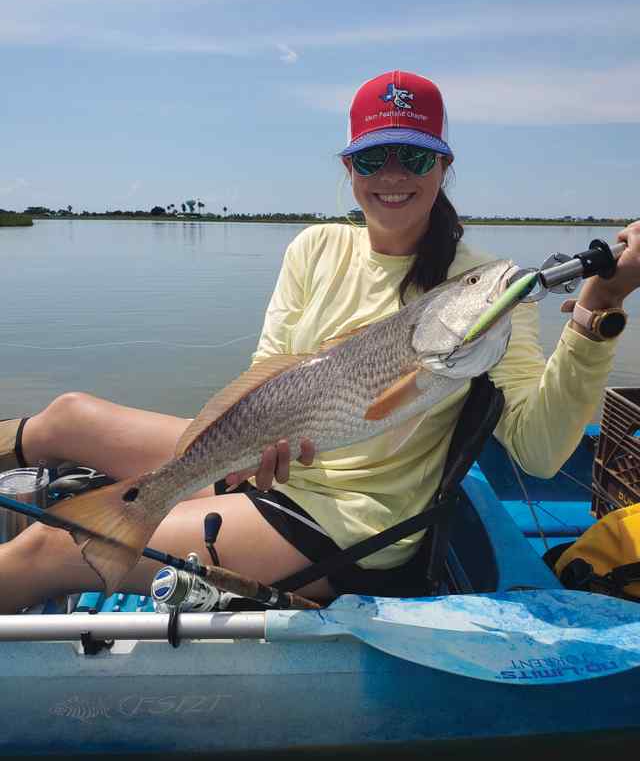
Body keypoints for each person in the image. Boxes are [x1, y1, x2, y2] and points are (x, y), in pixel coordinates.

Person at [1, 70, 639, 613]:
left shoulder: (488, 292)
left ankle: (103, 533)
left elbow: (539, 450)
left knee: (47, 547)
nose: (393, 175)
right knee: (67, 417)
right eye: (372, 157)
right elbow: (265, 373)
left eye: (415, 157)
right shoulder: (314, 247)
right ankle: (144, 500)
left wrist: (597, 309)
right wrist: (249, 452)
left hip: (346, 525)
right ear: (349, 166)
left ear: (444, 166)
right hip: (274, 467)